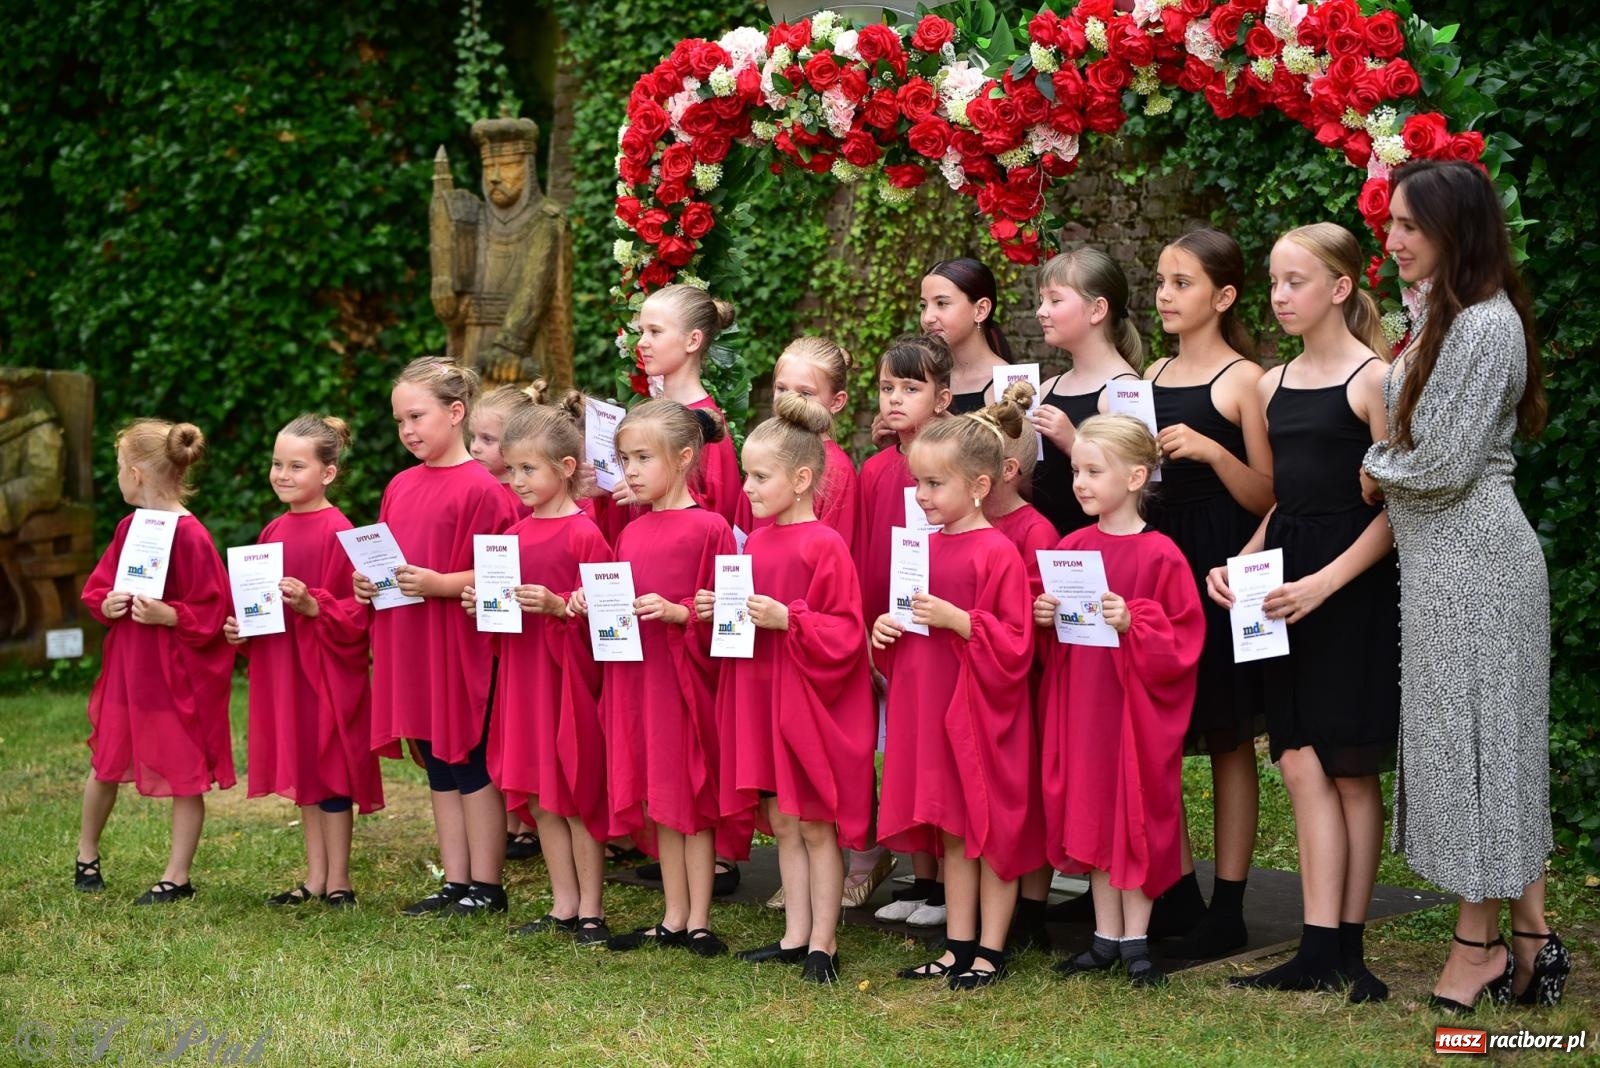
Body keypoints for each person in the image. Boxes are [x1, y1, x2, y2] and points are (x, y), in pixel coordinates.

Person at [1360, 159, 1566, 1011]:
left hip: (1479, 561)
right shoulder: (1445, 317)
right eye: (1393, 223)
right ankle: (1531, 937)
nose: (1394, 238)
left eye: (1411, 224)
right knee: (1483, 746)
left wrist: (1374, 464)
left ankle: (1474, 946)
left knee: (1481, 751)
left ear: (1456, 229)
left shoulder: (1485, 326)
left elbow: (1440, 464)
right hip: (1443, 564)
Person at [1207, 223, 1398, 1000]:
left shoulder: (1376, 379)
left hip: (1349, 592)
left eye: (1297, 281)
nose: (1280, 296)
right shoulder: (1273, 383)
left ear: (1342, 289)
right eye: (1275, 283)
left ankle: (1346, 950)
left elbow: (1399, 510)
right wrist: (1240, 566)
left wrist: (1324, 584)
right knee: (1295, 758)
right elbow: (1287, 500)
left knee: (1348, 768)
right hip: (1282, 589)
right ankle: (1318, 945)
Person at [872, 392, 1041, 989]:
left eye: (935, 484)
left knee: (985, 828)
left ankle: (991, 949)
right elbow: (904, 633)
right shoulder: (921, 548)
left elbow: (1018, 643)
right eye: (918, 482)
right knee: (950, 830)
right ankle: (957, 944)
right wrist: (885, 630)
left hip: (979, 714)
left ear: (978, 485)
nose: (922, 495)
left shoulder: (995, 551)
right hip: (929, 708)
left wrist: (961, 621)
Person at [705, 392, 875, 983]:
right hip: (762, 692)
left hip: (807, 700)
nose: (745, 487)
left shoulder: (824, 544)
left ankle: (824, 943)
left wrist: (791, 620)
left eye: (759, 476)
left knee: (813, 823)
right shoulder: (754, 542)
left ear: (802, 480)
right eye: (745, 475)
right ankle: (794, 934)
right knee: (781, 822)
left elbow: (847, 631)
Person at [1036, 414, 1204, 988]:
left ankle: (1138, 938)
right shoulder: (1071, 547)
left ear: (1136, 477)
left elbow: (1184, 638)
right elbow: (1053, 636)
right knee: (1095, 812)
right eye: (1075, 469)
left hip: (1133, 713)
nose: (1079, 482)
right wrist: (1044, 615)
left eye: (1092, 471)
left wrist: (1137, 621)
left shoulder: (1161, 555)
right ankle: (1105, 936)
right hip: (1085, 706)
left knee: (1133, 815)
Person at [1145, 228, 1275, 958]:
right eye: (1161, 281)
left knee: (1226, 734)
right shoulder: (1151, 372)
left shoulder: (1245, 380)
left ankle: (1229, 904)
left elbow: (1272, 494)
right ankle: (1174, 889)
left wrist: (1211, 449)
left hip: (1223, 563)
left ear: (1222, 296)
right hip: (1160, 561)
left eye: (1182, 282)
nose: (1165, 294)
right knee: (1162, 731)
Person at [570, 399, 737, 957]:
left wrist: (680, 612)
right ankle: (672, 914)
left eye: (643, 457)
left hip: (684, 681)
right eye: (624, 459)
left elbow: (722, 608)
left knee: (691, 791)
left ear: (684, 457)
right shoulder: (633, 532)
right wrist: (589, 603)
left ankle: (700, 918)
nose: (631, 471)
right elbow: (618, 604)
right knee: (661, 794)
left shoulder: (711, 527)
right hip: (639, 678)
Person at [355, 357, 519, 917]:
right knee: (436, 760)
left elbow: (504, 570)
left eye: (417, 416)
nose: (407, 430)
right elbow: (392, 560)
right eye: (400, 420)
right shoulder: (400, 485)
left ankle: (487, 885)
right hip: (412, 643)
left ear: (455, 413)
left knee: (468, 758)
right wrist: (368, 582)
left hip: (459, 645)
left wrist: (440, 583)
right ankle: (455, 880)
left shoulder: (484, 490)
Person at [462, 398, 613, 945]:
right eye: (513, 468)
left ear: (566, 468)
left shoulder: (585, 535)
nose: (517, 480)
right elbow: (504, 617)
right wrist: (483, 603)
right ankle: (563, 902)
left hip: (567, 683)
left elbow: (605, 615)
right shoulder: (515, 536)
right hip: (523, 680)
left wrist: (559, 606)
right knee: (541, 797)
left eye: (529, 469)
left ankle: (592, 908)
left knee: (573, 794)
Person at [226, 415, 383, 909]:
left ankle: (340, 880)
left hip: (326, 674)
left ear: (328, 473)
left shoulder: (340, 532)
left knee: (331, 768)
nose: (283, 474)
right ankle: (314, 877)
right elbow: (259, 604)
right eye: (277, 464)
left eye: (297, 465)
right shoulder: (273, 528)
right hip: (287, 670)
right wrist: (241, 627)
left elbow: (361, 613)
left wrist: (316, 606)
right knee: (307, 775)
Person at [74, 420, 235, 904]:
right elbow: (99, 586)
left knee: (185, 772)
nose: (117, 476)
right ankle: (86, 853)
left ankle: (176, 876)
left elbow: (214, 610)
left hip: (173, 677)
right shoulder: (130, 528)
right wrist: (106, 603)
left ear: (138, 473)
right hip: (129, 670)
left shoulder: (192, 537)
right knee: (105, 762)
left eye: (120, 467)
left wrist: (170, 613)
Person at [858, 335, 953, 928]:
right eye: (888, 388)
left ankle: (948, 887)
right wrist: (870, 630)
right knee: (902, 759)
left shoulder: (956, 465)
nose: (895, 400)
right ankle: (920, 878)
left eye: (911, 389)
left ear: (942, 398)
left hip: (941, 630)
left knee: (940, 756)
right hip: (892, 631)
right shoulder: (875, 470)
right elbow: (869, 554)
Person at [979, 380, 1062, 951]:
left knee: (1026, 795)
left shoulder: (1035, 531)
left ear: (1004, 471)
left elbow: (1042, 613)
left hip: (1023, 683)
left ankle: (1033, 907)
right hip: (980, 679)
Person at [596, 285, 752, 543]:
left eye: (655, 332)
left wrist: (653, 493)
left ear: (692, 340)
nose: (642, 342)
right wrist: (605, 489)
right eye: (641, 331)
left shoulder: (706, 423)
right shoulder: (645, 415)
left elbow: (717, 519)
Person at [467, 382, 545, 857]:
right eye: (474, 438)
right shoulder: (484, 491)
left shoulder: (518, 503)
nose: (477, 448)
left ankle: (525, 822)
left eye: (488, 440)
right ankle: (516, 820)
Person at [1030, 248, 1144, 536]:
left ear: (1097, 310)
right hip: (1049, 546)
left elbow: (1140, 486)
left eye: (1054, 300)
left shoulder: (1126, 390)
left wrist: (1072, 442)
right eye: (1041, 300)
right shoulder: (1047, 388)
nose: (1041, 311)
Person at [757, 338, 861, 547]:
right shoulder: (761, 452)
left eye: (805, 393)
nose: (789, 400)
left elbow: (834, 555)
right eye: (782, 389)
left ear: (837, 401)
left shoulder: (837, 470)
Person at [919, 258, 1013, 414]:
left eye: (942, 303)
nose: (927, 318)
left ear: (981, 310)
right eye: (923, 306)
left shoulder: (1011, 384)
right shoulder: (923, 376)